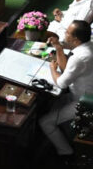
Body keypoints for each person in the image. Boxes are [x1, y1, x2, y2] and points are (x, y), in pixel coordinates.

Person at [40, 21, 93, 156]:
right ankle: (61, 136)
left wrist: (52, 69)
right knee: (53, 105)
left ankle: (66, 152)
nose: (65, 33)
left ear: (75, 38)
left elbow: (61, 83)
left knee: (45, 122)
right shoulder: (88, 47)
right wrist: (58, 47)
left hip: (85, 103)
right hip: (80, 94)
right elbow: (66, 70)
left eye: (67, 32)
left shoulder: (80, 57)